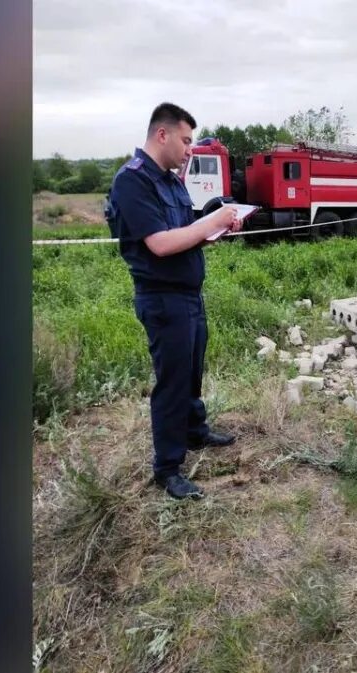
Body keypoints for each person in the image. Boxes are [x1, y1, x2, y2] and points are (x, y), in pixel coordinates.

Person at [106, 102, 242, 500]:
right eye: (185, 141)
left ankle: (195, 432)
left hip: (188, 295)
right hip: (163, 299)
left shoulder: (170, 179)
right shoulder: (132, 182)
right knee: (172, 381)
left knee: (192, 369)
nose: (189, 150)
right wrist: (209, 223)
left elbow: (186, 231)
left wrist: (216, 224)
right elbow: (161, 244)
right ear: (161, 134)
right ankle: (167, 468)